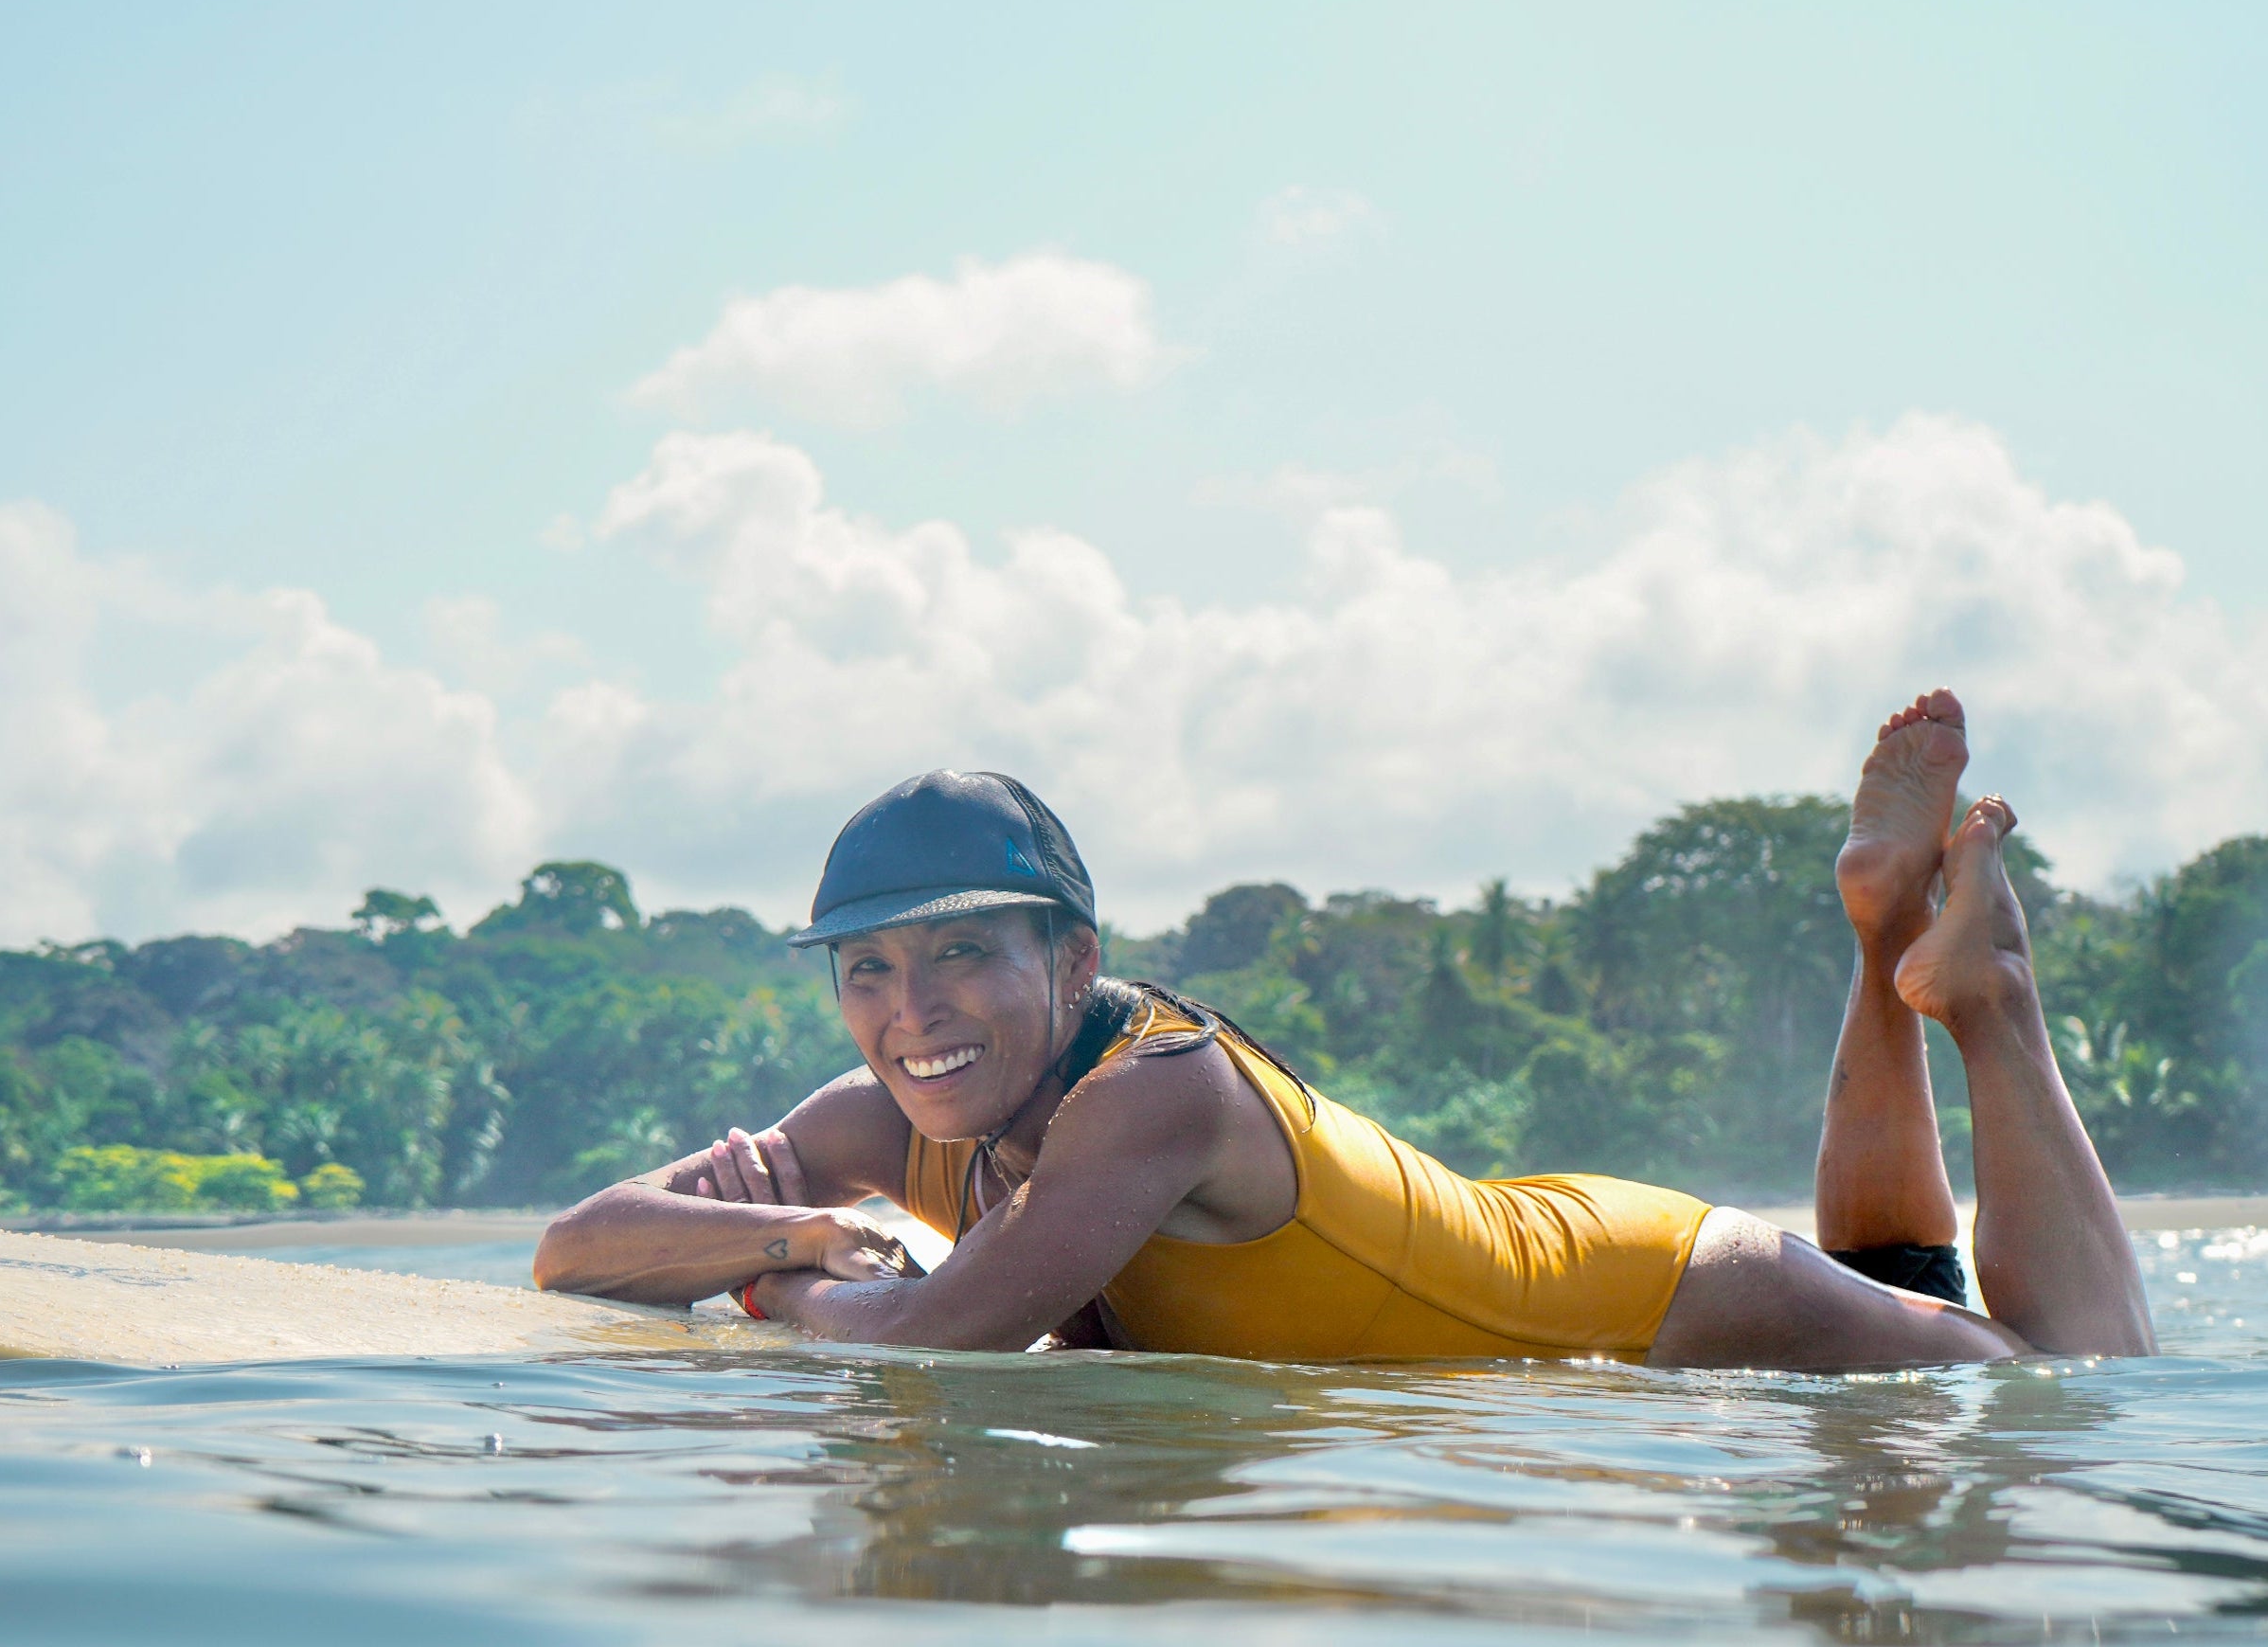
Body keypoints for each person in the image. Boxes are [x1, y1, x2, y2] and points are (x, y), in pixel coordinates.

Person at [534, 692, 2156, 1368]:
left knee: (2049, 1387)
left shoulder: (1154, 1093)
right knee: (1909, 1297)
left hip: (1647, 1291)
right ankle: (1882, 933)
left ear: (1074, 954)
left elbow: (924, 1343)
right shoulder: (901, 1121)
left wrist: (772, 1277)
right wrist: (818, 1220)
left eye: (960, 957)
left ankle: (1990, 1002)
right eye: (869, 974)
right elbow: (575, 1247)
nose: (912, 1014)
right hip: (1540, 1232)